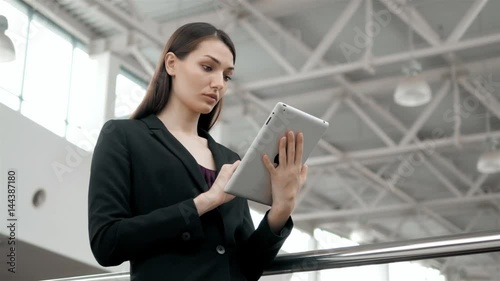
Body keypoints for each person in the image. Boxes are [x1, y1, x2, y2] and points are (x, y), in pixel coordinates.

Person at [88, 22, 308, 281]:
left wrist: (281, 208)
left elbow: (248, 266)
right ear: (171, 64)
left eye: (227, 76)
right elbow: (107, 243)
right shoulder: (124, 137)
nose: (219, 84)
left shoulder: (230, 160)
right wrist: (204, 202)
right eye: (207, 67)